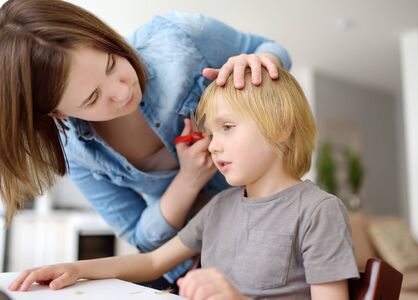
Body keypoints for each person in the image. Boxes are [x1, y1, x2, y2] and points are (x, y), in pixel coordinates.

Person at [0, 0, 291, 288]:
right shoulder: (79, 155)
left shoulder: (178, 38)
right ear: (58, 113)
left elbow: (271, 51)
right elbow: (148, 251)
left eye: (112, 63)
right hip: (193, 268)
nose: (122, 90)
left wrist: (259, 63)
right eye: (92, 98)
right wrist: (187, 181)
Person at [9, 68, 359, 299]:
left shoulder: (317, 211)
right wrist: (75, 269)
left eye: (227, 127)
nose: (212, 144)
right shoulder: (221, 207)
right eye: (209, 132)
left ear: (281, 126)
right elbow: (151, 264)